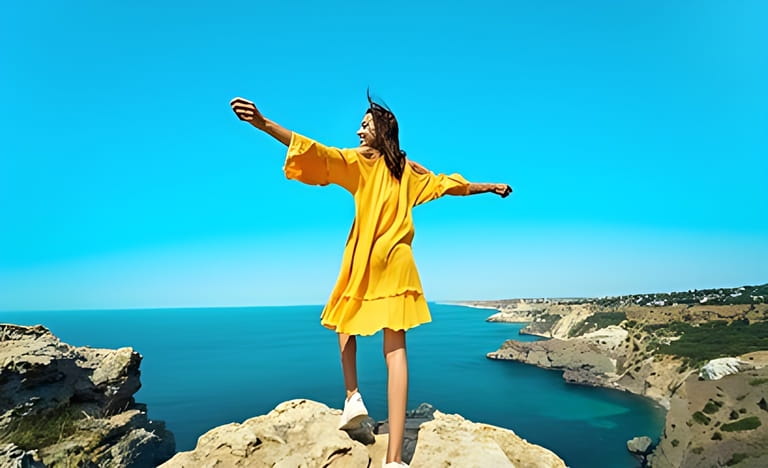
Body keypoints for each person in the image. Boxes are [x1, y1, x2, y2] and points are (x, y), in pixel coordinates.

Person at [230, 94, 512, 467]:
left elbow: (314, 151)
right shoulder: (409, 171)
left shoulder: (360, 161)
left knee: (343, 321)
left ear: (383, 131)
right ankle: (394, 459)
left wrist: (264, 124)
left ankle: (353, 397)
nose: (359, 129)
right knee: (396, 354)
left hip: (365, 259)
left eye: (366, 124)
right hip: (398, 262)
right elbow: (450, 184)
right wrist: (489, 185)